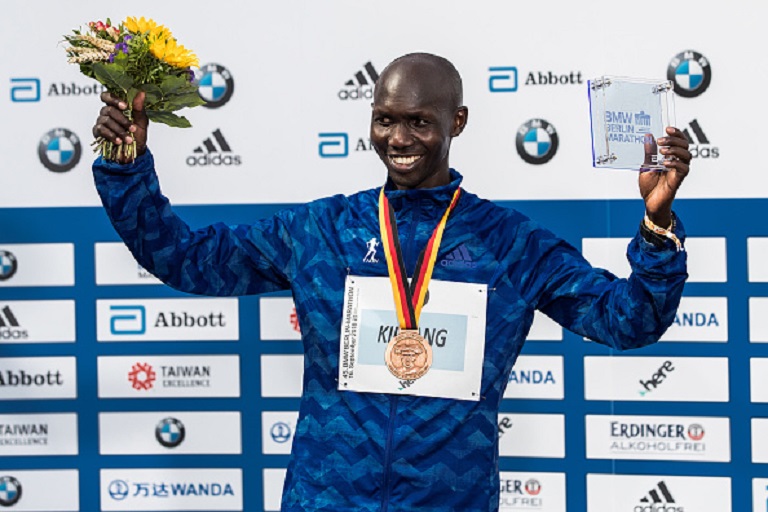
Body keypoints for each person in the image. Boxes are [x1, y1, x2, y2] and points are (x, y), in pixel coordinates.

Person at [92, 53, 690, 511]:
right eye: (384, 120)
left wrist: (657, 224)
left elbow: (627, 319)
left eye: (418, 122)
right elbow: (187, 260)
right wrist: (126, 169)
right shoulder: (323, 228)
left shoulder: (509, 244)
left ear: (456, 121)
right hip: (324, 500)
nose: (398, 140)